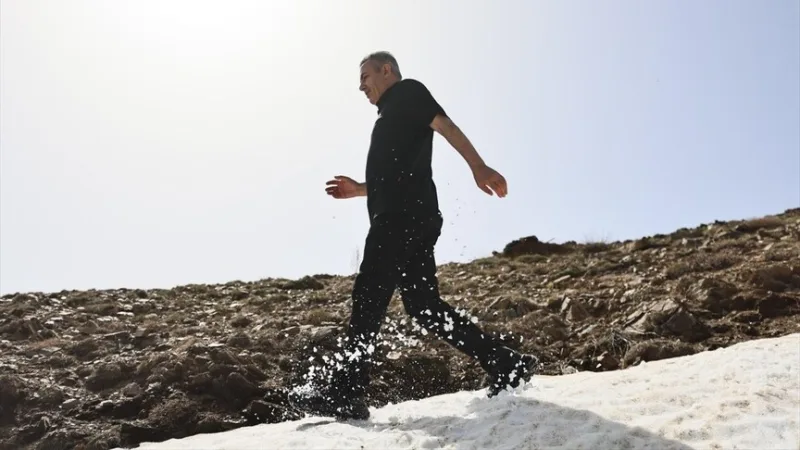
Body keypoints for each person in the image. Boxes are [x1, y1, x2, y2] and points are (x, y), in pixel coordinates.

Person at [288, 51, 537, 420]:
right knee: (424, 307)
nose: (361, 86)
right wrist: (358, 189)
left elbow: (446, 125)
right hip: (412, 217)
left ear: (386, 70)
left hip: (399, 219)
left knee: (369, 294)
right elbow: (393, 178)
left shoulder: (407, 93)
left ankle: (347, 393)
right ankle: (505, 363)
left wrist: (479, 166)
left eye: (365, 76)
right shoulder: (392, 116)